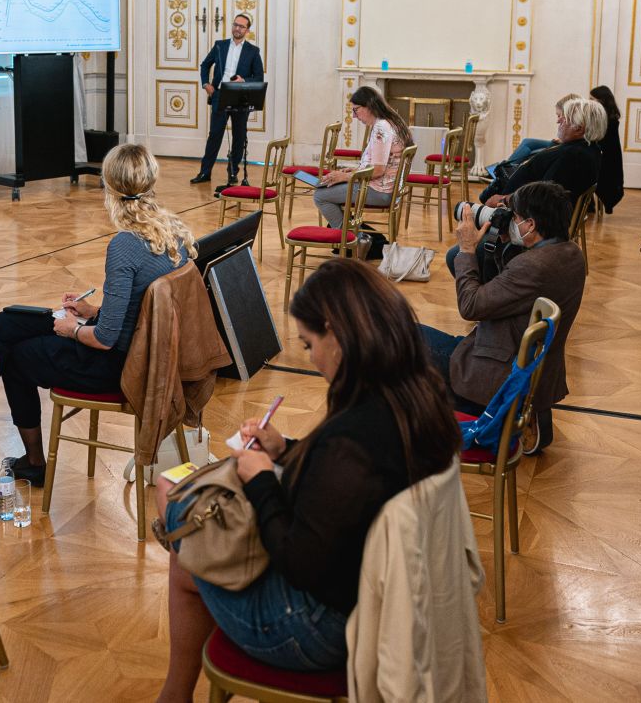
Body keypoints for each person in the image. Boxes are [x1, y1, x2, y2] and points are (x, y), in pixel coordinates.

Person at [153, 260, 459, 701]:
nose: (312, 359)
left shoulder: (355, 433)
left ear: (336, 332)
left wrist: (260, 479)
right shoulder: (416, 397)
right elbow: (347, 482)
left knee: (184, 534)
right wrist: (285, 450)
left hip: (313, 627)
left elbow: (300, 561)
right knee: (194, 542)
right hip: (379, 598)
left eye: (309, 343)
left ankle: (174, 695)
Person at [0, 143, 195, 485]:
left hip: (118, 367)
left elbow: (105, 338)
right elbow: (141, 308)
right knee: (6, 321)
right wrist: (91, 311)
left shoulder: (125, 244)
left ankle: (25, 457)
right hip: (144, 354)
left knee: (14, 356)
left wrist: (73, 329)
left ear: (108, 187)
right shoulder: (172, 232)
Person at [420, 181, 586, 454]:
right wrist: (505, 241)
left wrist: (466, 250)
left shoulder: (532, 266)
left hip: (499, 370)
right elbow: (508, 289)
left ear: (530, 225)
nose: (512, 221)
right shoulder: (570, 254)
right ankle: (524, 410)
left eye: (516, 217)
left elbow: (471, 306)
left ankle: (488, 412)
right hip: (526, 359)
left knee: (401, 336)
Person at [312, 86, 410, 228]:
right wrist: (353, 171)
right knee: (327, 188)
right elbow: (380, 165)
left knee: (320, 196)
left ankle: (351, 238)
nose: (354, 116)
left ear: (369, 106)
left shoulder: (381, 128)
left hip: (379, 191)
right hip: (384, 187)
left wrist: (345, 177)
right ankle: (354, 234)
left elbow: (378, 170)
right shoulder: (389, 122)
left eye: (356, 109)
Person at [483, 95, 603, 208]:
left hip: (522, 219)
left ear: (579, 128)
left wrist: (503, 200)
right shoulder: (590, 148)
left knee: (465, 210)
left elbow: (542, 197)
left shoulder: (571, 156)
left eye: (565, 118)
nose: (558, 122)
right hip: (523, 211)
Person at [191, 12, 265, 185]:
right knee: (215, 135)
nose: (237, 28)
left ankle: (233, 172)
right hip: (220, 95)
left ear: (247, 30)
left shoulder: (253, 51)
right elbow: (204, 65)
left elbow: (259, 77)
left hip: (240, 96)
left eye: (241, 26)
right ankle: (204, 172)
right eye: (235, 25)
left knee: (239, 136)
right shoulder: (220, 46)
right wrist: (206, 84)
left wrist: (244, 80)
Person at [589, 85, 624, 212]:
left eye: (592, 99)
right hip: (602, 158)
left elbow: (597, 141)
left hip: (604, 163)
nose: (589, 102)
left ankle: (584, 203)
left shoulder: (607, 120)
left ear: (602, 101)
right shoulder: (608, 117)